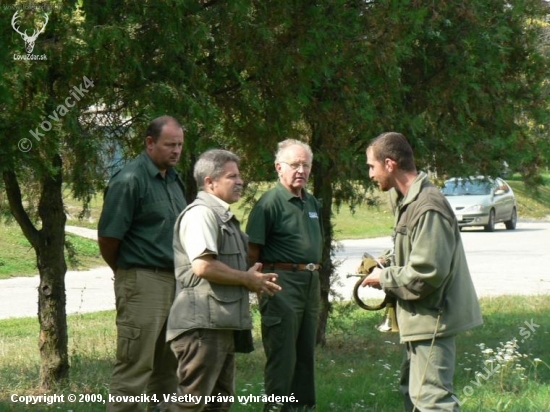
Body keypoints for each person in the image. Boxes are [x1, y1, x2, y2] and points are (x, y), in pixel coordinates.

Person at [362, 132, 483, 411]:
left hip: (433, 320)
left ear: (390, 164)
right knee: (414, 396)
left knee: (433, 402)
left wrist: (384, 277)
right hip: (420, 319)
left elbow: (426, 272)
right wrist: (388, 262)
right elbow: (415, 250)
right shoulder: (409, 200)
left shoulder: (427, 206)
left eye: (371, 166)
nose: (369, 174)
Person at [166, 149, 281, 412]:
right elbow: (203, 266)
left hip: (218, 324)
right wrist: (247, 279)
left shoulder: (222, 217)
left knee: (218, 402)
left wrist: (254, 278)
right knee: (189, 404)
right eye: (232, 176)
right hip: (202, 328)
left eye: (239, 176)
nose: (240, 182)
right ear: (210, 182)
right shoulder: (201, 214)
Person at [98, 115, 186, 412]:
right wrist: (129, 274)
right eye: (170, 145)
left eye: (180, 145)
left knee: (169, 369)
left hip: (175, 282)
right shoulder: (130, 180)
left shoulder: (173, 179)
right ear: (150, 143)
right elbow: (109, 239)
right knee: (135, 368)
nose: (176, 151)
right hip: (143, 282)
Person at [246, 139, 324, 412]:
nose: (301, 170)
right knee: (283, 355)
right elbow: (252, 250)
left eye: (306, 165)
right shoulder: (269, 203)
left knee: (305, 352)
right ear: (279, 167)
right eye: (294, 165)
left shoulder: (311, 201)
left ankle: (303, 407)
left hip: (309, 283)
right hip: (281, 284)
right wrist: (260, 284)